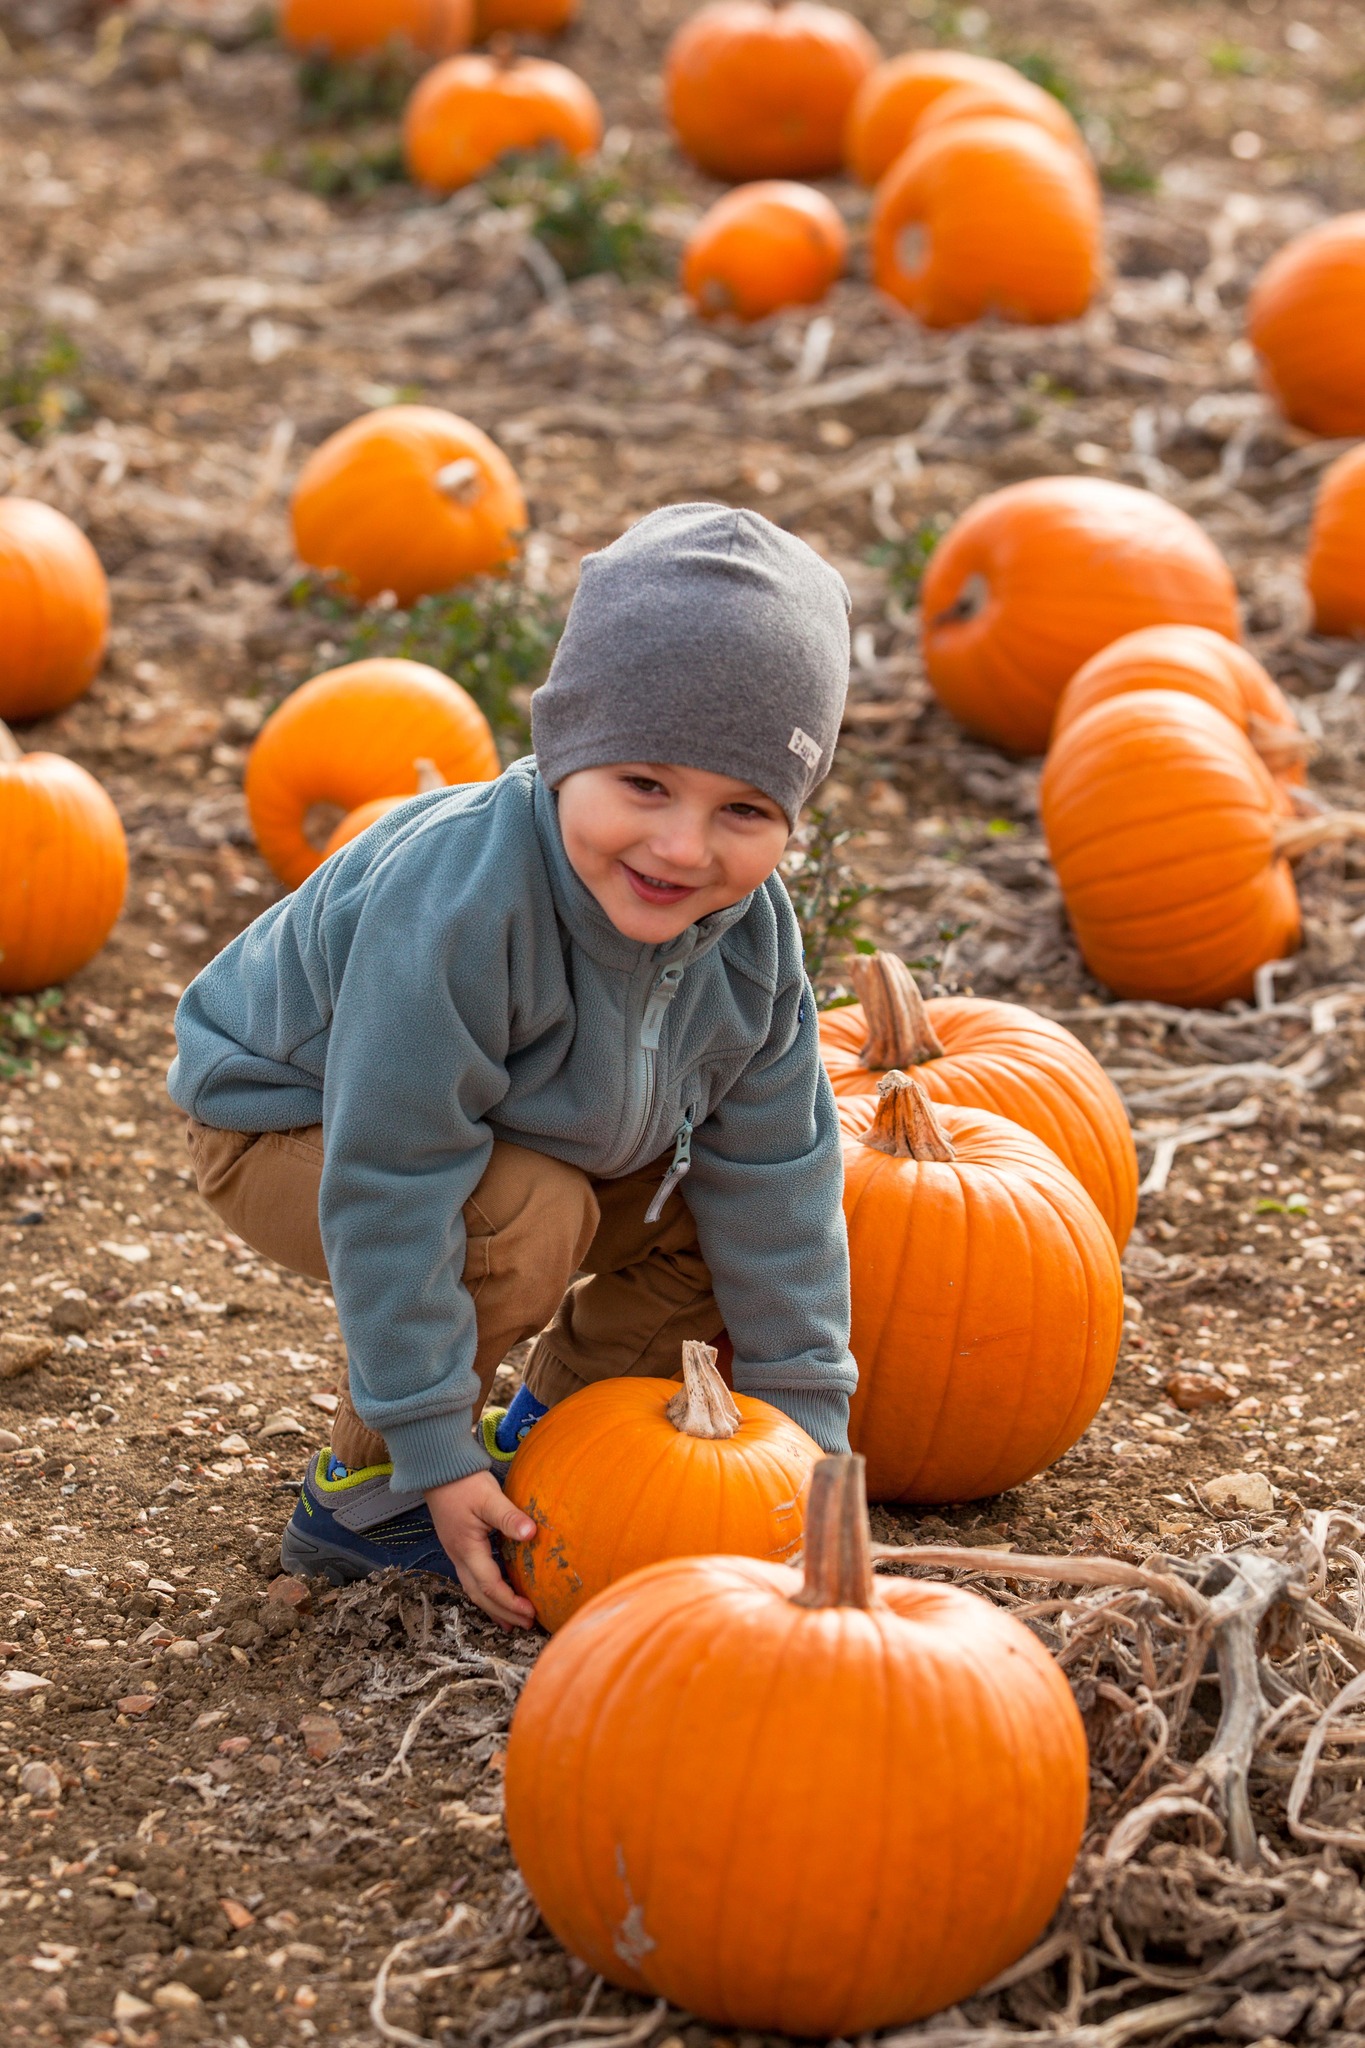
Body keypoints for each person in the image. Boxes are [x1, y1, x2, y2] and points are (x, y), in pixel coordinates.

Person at [167, 502, 857, 1629]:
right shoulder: (461, 902)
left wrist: (811, 1444)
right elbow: (394, 1177)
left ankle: (553, 1447)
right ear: (568, 746)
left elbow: (781, 1186)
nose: (682, 846)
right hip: (291, 1122)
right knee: (525, 1218)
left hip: (510, 1125)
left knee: (715, 1225)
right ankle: (373, 1492)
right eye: (644, 785)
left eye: (743, 808)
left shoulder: (753, 942)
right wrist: (435, 1445)